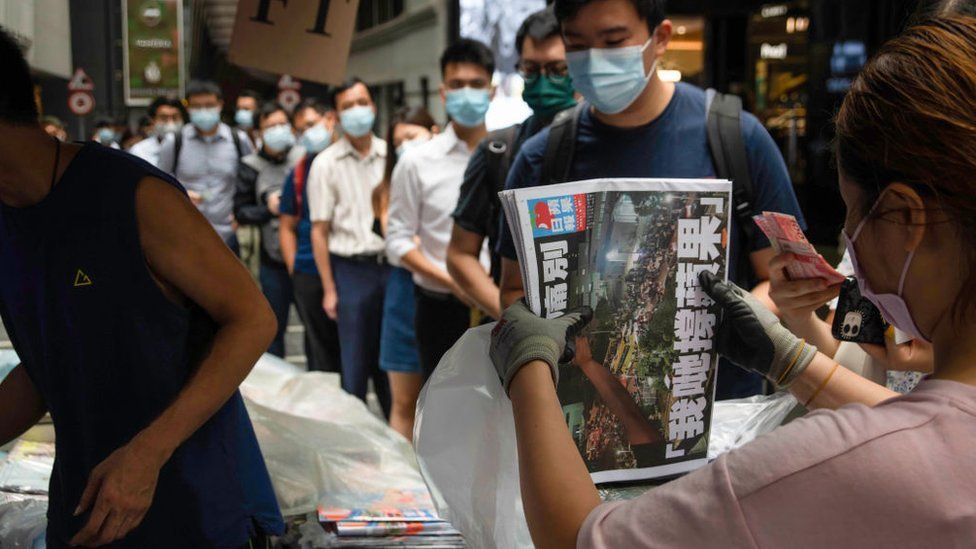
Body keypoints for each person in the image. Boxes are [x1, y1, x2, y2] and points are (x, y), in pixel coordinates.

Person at [487, 16, 976, 547]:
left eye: (853, 214)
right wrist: (791, 360)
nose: (849, 241)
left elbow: (580, 539)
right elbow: (924, 428)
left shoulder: (827, 465)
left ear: (905, 218)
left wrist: (528, 371)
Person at [0, 28, 284, 547]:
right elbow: (46, 367)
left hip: (192, 501)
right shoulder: (7, 220)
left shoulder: (131, 196)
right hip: (87, 506)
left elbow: (253, 318)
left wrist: (148, 451)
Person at [496, 0, 806, 399]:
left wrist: (715, 325)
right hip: (584, 410)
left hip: (719, 406)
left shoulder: (736, 138)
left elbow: (779, 277)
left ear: (660, 38)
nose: (593, 60)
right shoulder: (543, 158)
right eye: (576, 44)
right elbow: (512, 290)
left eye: (613, 41)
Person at [449, 7, 577, 320]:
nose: (544, 80)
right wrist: (510, 317)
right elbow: (460, 253)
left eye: (558, 69)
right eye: (531, 69)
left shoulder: (608, 142)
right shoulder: (499, 150)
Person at [387, 39, 495, 381]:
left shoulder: (509, 153)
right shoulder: (417, 161)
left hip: (502, 305)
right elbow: (398, 239)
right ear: (443, 92)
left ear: (491, 90)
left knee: (502, 412)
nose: (467, 93)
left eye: (476, 84)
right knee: (442, 408)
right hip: (440, 306)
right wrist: (454, 280)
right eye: (457, 84)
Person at [308, 78, 392, 416]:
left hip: (390, 266)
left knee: (394, 365)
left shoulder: (391, 155)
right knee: (354, 365)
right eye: (348, 106)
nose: (357, 111)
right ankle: (356, 455)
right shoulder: (325, 164)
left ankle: (402, 446)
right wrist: (329, 289)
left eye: (362, 102)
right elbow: (319, 232)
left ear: (373, 106)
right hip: (350, 272)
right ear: (336, 116)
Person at [372, 106, 438, 440]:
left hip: (447, 294)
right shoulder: (387, 189)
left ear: (434, 131)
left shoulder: (455, 176)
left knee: (449, 400)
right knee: (404, 401)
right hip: (404, 293)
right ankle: (406, 484)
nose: (406, 147)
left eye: (412, 137)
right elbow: (402, 243)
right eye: (399, 142)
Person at [235, 102, 305, 357]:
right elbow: (241, 211)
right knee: (274, 330)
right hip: (270, 260)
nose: (277, 130)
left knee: (314, 328)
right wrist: (269, 209)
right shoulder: (250, 165)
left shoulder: (303, 157)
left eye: (281, 124)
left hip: (304, 257)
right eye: (270, 126)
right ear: (259, 132)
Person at [280, 98, 342, 374]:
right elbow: (286, 225)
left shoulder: (345, 163)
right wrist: (296, 269)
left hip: (348, 266)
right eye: (300, 130)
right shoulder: (298, 173)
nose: (307, 134)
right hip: (310, 271)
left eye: (311, 125)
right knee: (322, 353)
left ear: (329, 119)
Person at [158, 80, 254, 254]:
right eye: (197, 106)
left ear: (220, 105)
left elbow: (250, 181)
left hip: (229, 233)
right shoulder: (174, 142)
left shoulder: (238, 139)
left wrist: (242, 215)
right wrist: (180, 194)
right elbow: (159, 184)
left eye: (209, 105)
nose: (203, 111)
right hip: (186, 232)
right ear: (188, 108)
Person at [128, 96, 186, 166]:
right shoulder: (139, 152)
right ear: (153, 120)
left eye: (175, 117)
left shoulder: (192, 148)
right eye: (163, 118)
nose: (170, 123)